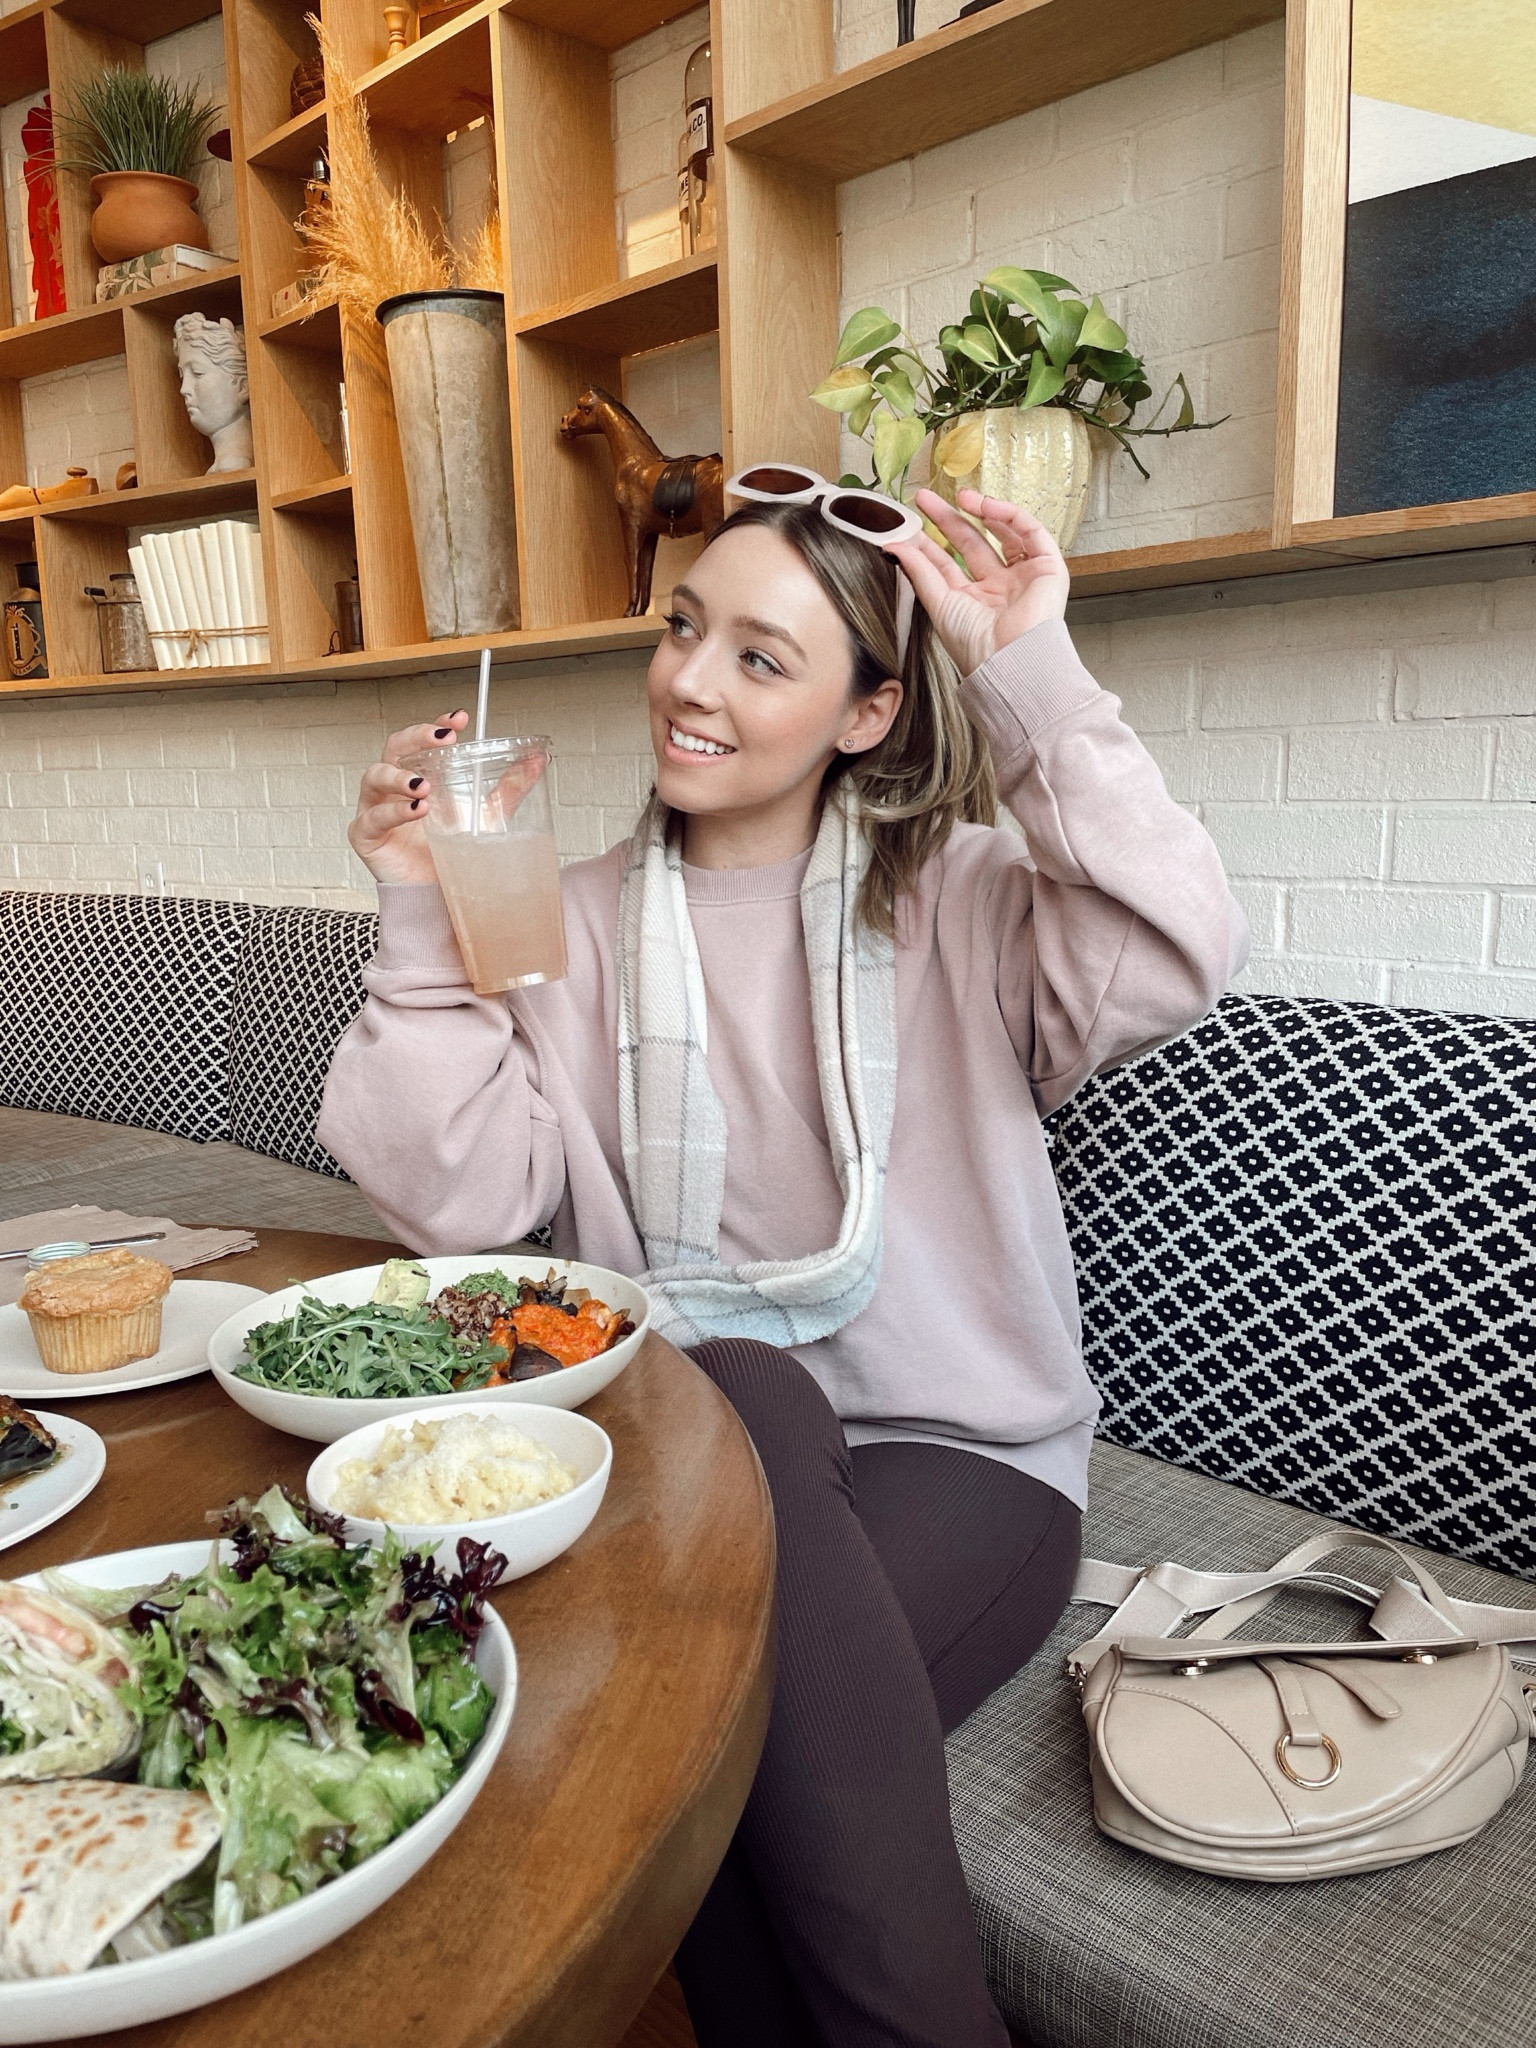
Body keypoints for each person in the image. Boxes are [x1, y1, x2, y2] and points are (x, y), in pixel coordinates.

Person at [320, 482, 1248, 2047]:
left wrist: (1030, 676)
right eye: (684, 629)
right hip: (696, 1458)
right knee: (737, 1411)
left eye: (761, 658)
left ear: (866, 714)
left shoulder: (965, 895)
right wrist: (420, 910)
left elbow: (1176, 947)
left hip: (960, 1457)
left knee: (699, 1741)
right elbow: (463, 1203)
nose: (689, 682)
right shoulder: (555, 919)